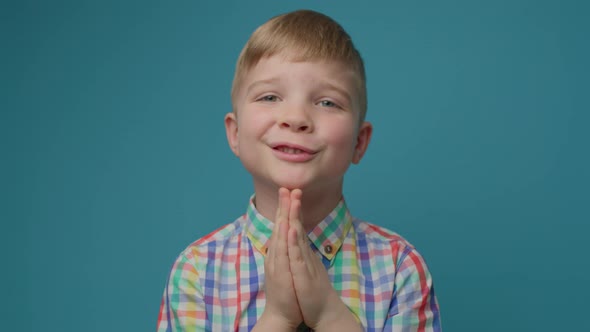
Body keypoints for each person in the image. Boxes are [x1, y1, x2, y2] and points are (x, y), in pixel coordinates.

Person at [157, 9, 441, 332]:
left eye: (327, 103)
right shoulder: (196, 273)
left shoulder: (399, 269)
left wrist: (329, 315)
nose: (295, 117)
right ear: (235, 134)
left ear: (359, 143)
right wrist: (277, 318)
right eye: (269, 96)